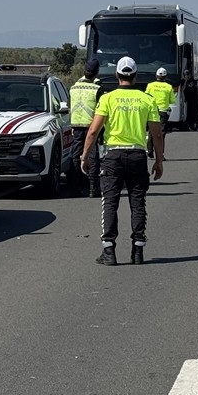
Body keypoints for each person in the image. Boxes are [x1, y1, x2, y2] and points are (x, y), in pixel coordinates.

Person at [80, 56, 162, 266]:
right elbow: (157, 134)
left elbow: (93, 131)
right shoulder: (147, 99)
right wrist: (159, 160)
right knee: (137, 202)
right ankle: (138, 251)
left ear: (117, 75)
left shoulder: (108, 98)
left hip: (113, 156)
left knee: (110, 202)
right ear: (135, 77)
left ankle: (109, 250)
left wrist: (85, 156)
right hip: (137, 156)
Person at [68, 59, 106, 198]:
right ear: (96, 72)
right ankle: (93, 188)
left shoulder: (73, 87)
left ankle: (74, 188)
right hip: (92, 126)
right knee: (93, 155)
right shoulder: (97, 89)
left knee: (75, 156)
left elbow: (70, 107)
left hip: (77, 125)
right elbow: (102, 110)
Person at [144, 67, 175, 157]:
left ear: (156, 76)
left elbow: (146, 97)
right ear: (165, 77)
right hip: (163, 112)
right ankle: (160, 154)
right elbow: (172, 100)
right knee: (161, 133)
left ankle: (149, 151)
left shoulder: (150, 85)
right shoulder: (169, 87)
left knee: (151, 131)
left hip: (152, 111)